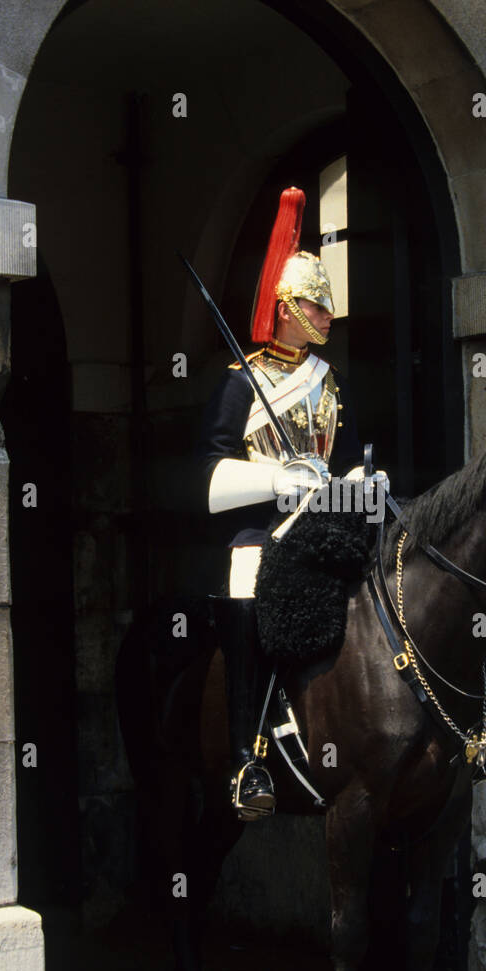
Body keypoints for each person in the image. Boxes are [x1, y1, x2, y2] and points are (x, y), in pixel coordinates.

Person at [195, 188, 367, 821]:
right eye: (318, 308)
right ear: (287, 309)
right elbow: (210, 480)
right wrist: (276, 481)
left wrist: (361, 483)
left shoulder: (329, 383)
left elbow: (345, 458)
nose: (328, 318)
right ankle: (246, 756)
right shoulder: (241, 382)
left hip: (325, 525)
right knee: (246, 584)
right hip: (262, 533)